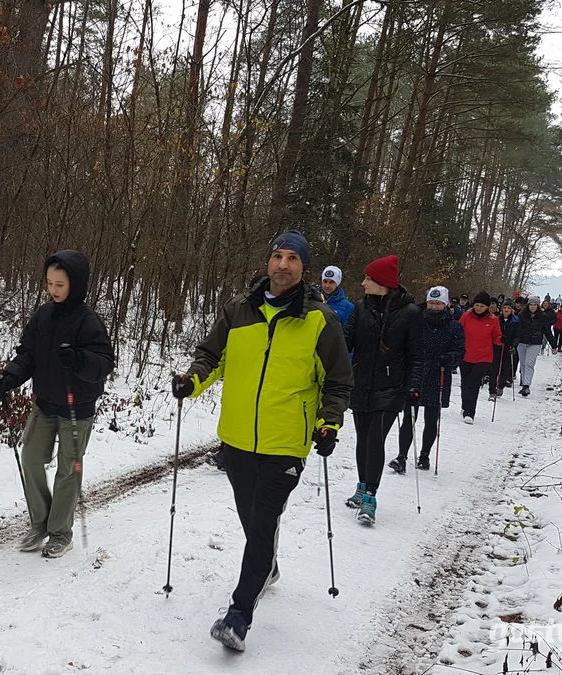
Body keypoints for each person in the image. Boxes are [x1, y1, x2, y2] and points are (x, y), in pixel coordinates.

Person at [172, 231, 352, 653]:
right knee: (252, 520)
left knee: (261, 525)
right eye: (277, 256)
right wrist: (190, 381)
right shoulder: (239, 309)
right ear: (268, 262)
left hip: (285, 443)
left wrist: (330, 424)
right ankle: (267, 568)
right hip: (236, 440)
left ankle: (238, 615)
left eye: (292, 258)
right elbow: (211, 357)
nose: (283, 265)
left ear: (303, 268)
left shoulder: (320, 320)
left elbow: (339, 383)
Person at [0, 250, 115, 559]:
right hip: (45, 403)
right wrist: (9, 377)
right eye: (49, 283)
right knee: (31, 458)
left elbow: (104, 362)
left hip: (77, 407)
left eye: (60, 284)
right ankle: (40, 523)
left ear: (76, 283)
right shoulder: (43, 315)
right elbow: (28, 354)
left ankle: (60, 532)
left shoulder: (89, 321)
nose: (53, 290)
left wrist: (79, 359)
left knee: (67, 470)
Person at [343, 255, 423, 524]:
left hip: (391, 388)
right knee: (363, 439)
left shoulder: (411, 313)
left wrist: (413, 386)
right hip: (361, 384)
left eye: (368, 278)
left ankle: (370, 498)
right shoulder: (360, 308)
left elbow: (417, 355)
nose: (363, 282)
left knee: (376, 439)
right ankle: (361, 485)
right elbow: (345, 340)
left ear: (383, 283)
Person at [391, 286, 464, 473]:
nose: (434, 307)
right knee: (409, 416)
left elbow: (460, 351)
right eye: (431, 303)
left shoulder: (454, 326)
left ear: (446, 304)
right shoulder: (416, 321)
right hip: (416, 373)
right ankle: (401, 456)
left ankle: (424, 455)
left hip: (438, 374)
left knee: (431, 419)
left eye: (438, 304)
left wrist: (448, 359)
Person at [457, 291, 502, 424]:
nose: (478, 308)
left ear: (487, 307)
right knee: (465, 383)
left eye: (481, 306)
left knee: (474, 383)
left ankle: (470, 412)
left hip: (483, 357)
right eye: (476, 305)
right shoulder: (466, 316)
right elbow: (458, 331)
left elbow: (497, 337)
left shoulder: (493, 320)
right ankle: (465, 406)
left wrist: (503, 340)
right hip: (466, 355)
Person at [516, 295, 552, 396]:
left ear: (537, 306)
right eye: (530, 305)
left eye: (534, 305)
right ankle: (524, 380)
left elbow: (547, 331)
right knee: (523, 363)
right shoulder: (521, 315)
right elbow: (517, 329)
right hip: (522, 342)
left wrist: (554, 345)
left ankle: (526, 386)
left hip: (535, 343)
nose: (532, 307)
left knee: (529, 363)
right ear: (528, 305)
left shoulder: (543, 317)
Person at [494, 300, 520, 397]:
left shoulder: (515, 320)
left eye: (508, 308)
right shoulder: (497, 319)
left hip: (508, 345)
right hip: (498, 344)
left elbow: (517, 335)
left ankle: (500, 386)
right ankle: (493, 386)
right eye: (505, 308)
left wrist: (514, 345)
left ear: (512, 310)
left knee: (505, 367)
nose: (506, 310)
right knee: (495, 366)